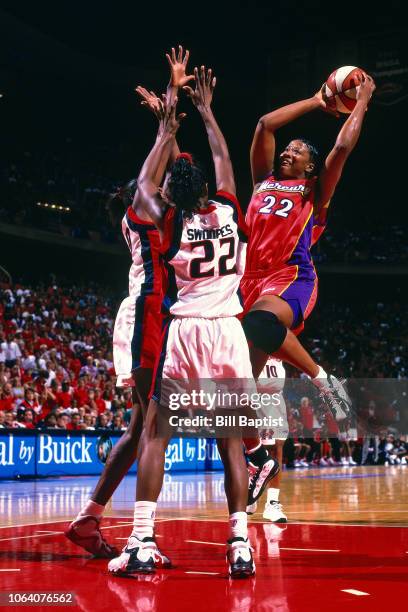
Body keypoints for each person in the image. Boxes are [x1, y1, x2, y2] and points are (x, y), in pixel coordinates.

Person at [108, 66, 271, 579]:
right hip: (227, 330)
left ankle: (140, 539)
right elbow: (224, 158)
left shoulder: (168, 221)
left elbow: (141, 185)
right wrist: (204, 111)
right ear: (208, 189)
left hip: (186, 332)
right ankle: (241, 543)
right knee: (230, 442)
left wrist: (166, 126)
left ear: (173, 197)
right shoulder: (229, 209)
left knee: (156, 434)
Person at [65, 46, 193, 560]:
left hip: (152, 314)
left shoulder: (162, 207)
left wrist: (172, 105)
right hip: (144, 314)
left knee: (141, 425)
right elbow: (163, 149)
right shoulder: (143, 205)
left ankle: (87, 521)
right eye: (157, 181)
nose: (164, 183)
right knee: (154, 423)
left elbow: (178, 159)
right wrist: (171, 97)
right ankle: (143, 536)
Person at [241, 72, 375, 510]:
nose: (288, 151)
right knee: (234, 390)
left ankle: (323, 380)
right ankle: (255, 464)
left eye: (298, 150)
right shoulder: (261, 182)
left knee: (262, 322)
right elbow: (264, 125)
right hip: (251, 282)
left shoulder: (315, 193)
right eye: (289, 147)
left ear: (310, 166)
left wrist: (361, 103)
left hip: (291, 277)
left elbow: (340, 148)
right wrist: (317, 100)